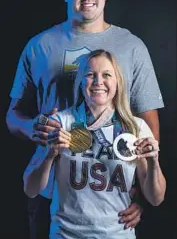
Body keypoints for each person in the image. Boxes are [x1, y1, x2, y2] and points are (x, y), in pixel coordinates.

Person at [6, 0, 164, 239]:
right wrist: (37, 131)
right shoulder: (39, 46)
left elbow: (148, 123)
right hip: (50, 186)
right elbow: (13, 115)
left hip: (109, 190)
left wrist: (141, 189)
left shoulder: (132, 47)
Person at [23, 49, 166, 239]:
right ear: (81, 82)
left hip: (117, 234)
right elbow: (31, 190)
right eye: (90, 75)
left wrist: (153, 161)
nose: (98, 81)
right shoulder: (60, 123)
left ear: (117, 82)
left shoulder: (135, 128)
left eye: (106, 75)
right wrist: (49, 155)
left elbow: (156, 199)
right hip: (66, 235)